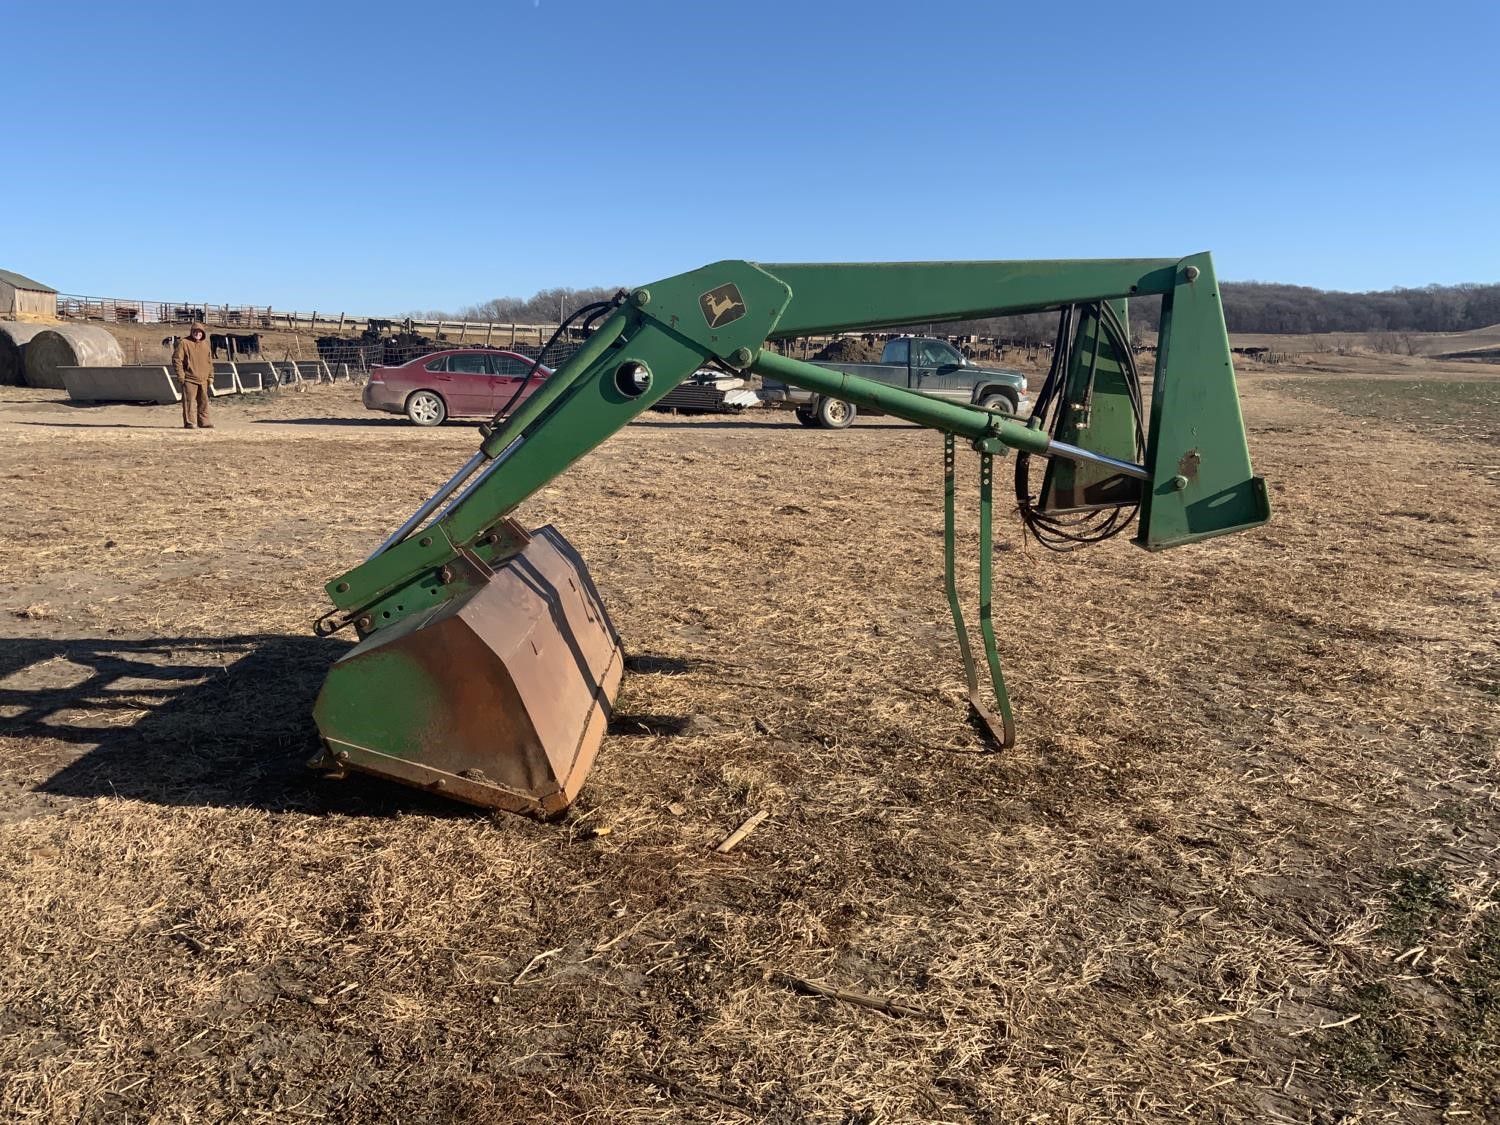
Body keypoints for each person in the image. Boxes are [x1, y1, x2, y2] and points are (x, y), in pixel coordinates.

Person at [172, 323, 214, 429]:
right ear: (192, 332)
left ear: (203, 333)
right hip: (189, 378)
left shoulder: (206, 345)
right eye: (195, 332)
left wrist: (211, 376)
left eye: (200, 332)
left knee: (204, 402)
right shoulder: (184, 343)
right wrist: (181, 376)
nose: (198, 334)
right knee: (189, 402)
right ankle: (190, 422)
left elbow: (210, 362)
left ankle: (204, 422)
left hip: (204, 379)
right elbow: (177, 359)